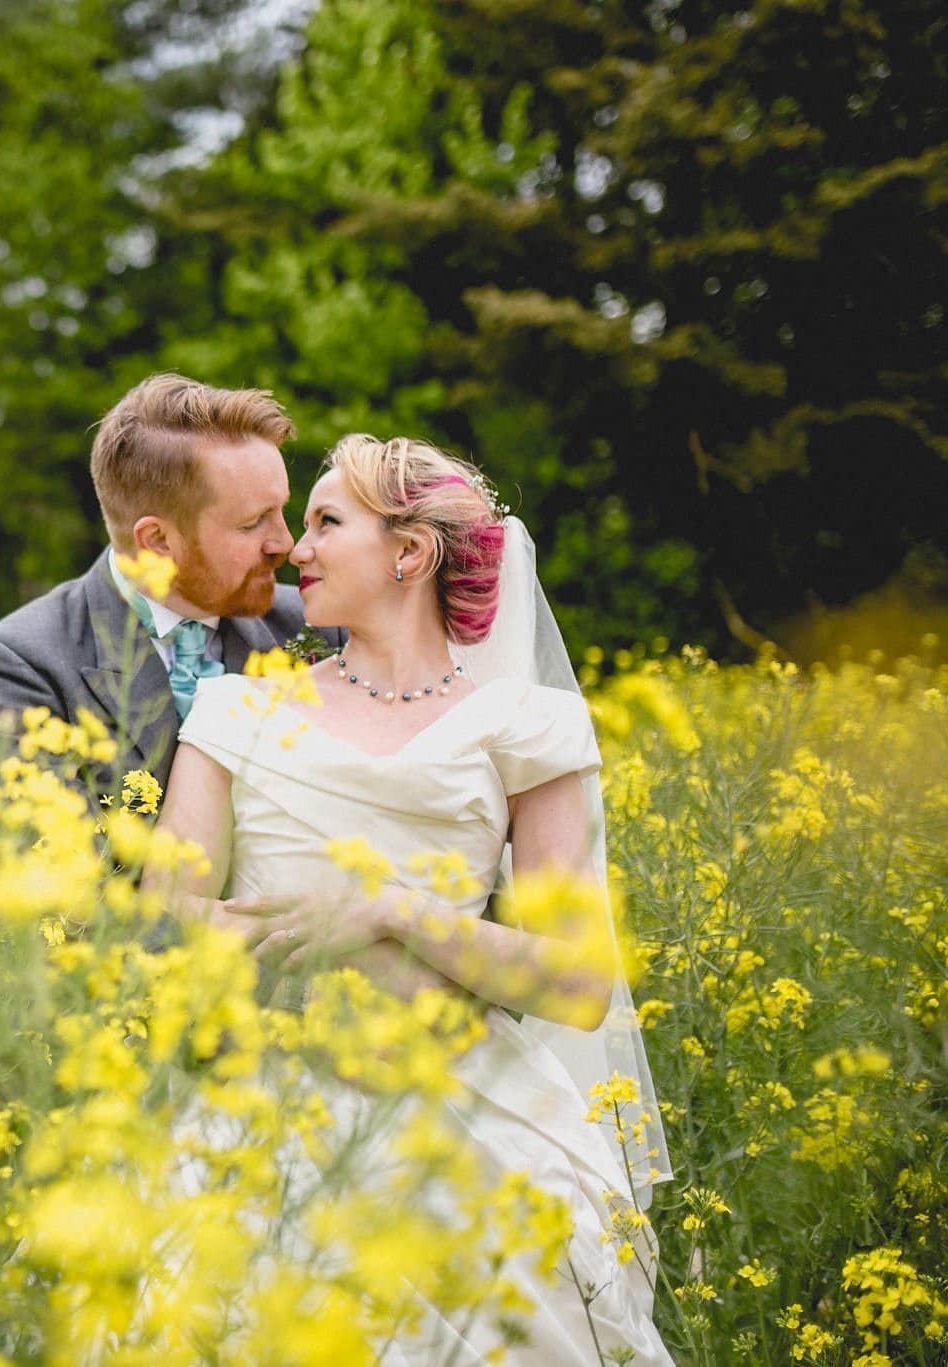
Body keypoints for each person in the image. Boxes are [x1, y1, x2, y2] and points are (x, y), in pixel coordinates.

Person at [154, 434, 674, 1363]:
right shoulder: (234, 712)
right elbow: (161, 924)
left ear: (409, 552)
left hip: (471, 1118)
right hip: (269, 1108)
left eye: (325, 523)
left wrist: (390, 913)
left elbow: (579, 981)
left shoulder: (530, 725)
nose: (293, 549)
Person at [0, 373, 341, 801]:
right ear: (157, 541)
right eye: (253, 522)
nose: (286, 545)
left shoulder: (325, 625)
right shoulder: (22, 664)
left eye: (281, 511)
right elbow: (45, 861)